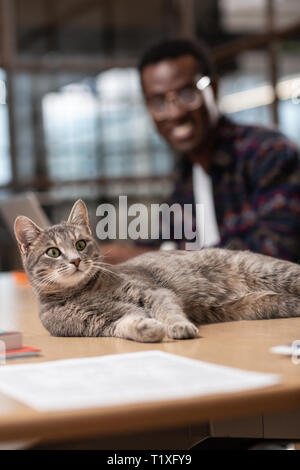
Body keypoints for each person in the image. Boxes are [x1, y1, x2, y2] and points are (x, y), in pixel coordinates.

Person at [102, 38, 300, 264]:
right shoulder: (186, 174)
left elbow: (276, 256)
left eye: (187, 94)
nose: (175, 113)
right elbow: (158, 243)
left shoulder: (267, 154)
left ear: (213, 90)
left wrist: (151, 258)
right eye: (158, 102)